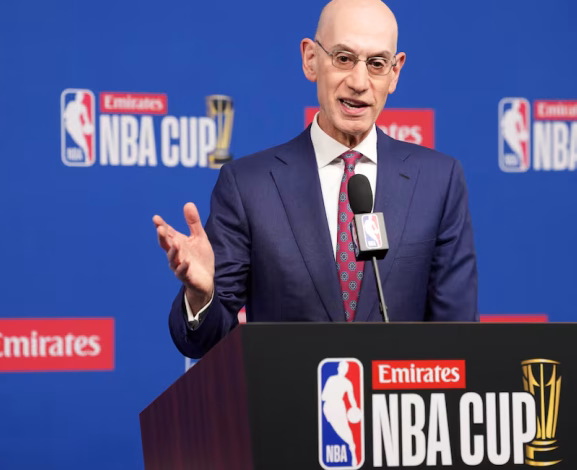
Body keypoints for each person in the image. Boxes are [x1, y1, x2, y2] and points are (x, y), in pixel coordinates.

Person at [153, 0, 478, 359]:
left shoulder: (438, 182)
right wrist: (201, 295)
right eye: (343, 58)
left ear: (395, 72)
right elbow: (204, 341)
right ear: (310, 59)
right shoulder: (248, 186)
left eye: (376, 63)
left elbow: (458, 341)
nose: (359, 82)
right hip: (288, 394)